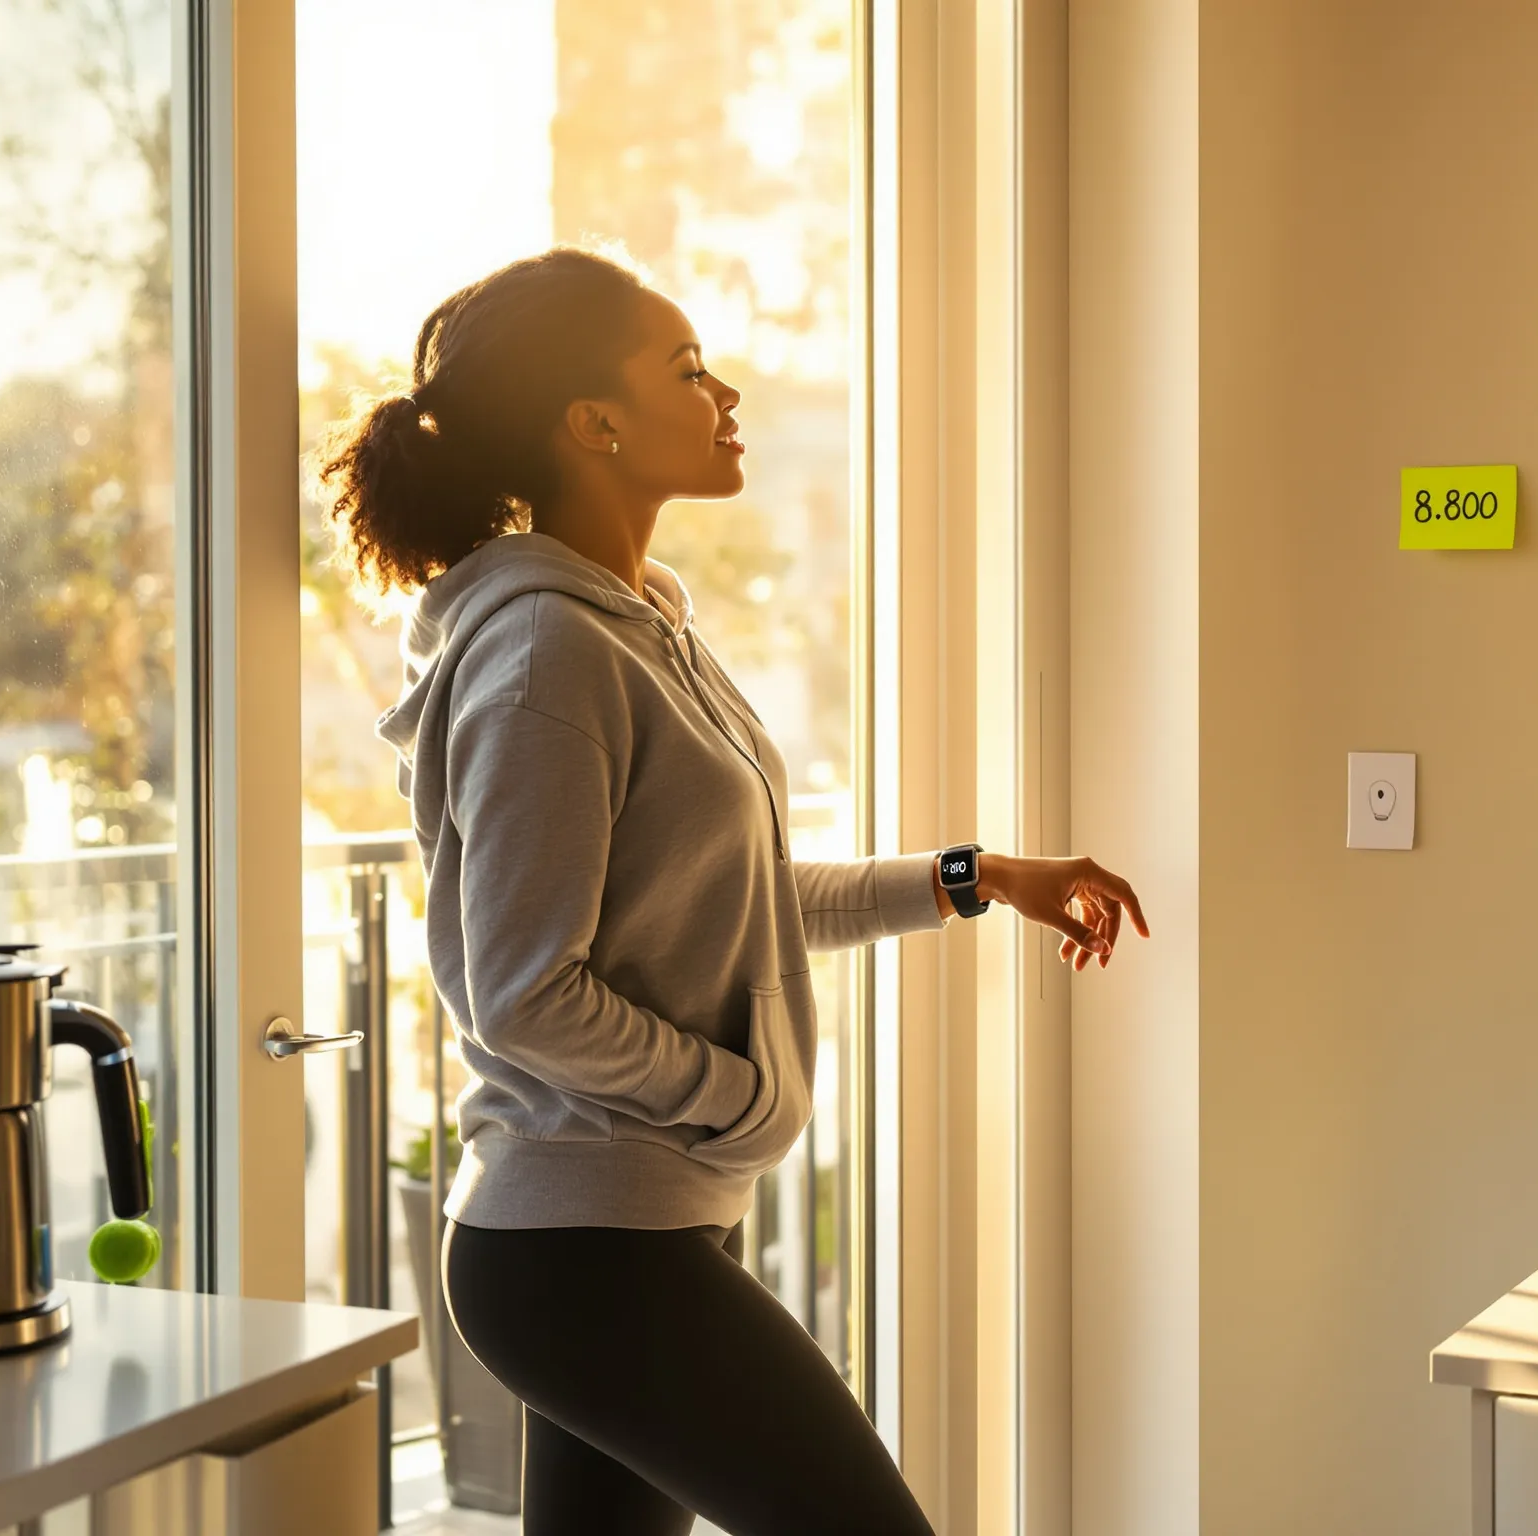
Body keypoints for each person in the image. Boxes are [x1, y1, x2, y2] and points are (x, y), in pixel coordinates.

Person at [322, 245, 1147, 1536]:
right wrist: (737, 1096)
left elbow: (742, 897)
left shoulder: (636, 625)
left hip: (641, 1228)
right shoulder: (546, 655)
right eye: (688, 369)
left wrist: (971, 878)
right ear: (592, 423)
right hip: (579, 1249)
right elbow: (527, 994)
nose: (727, 394)